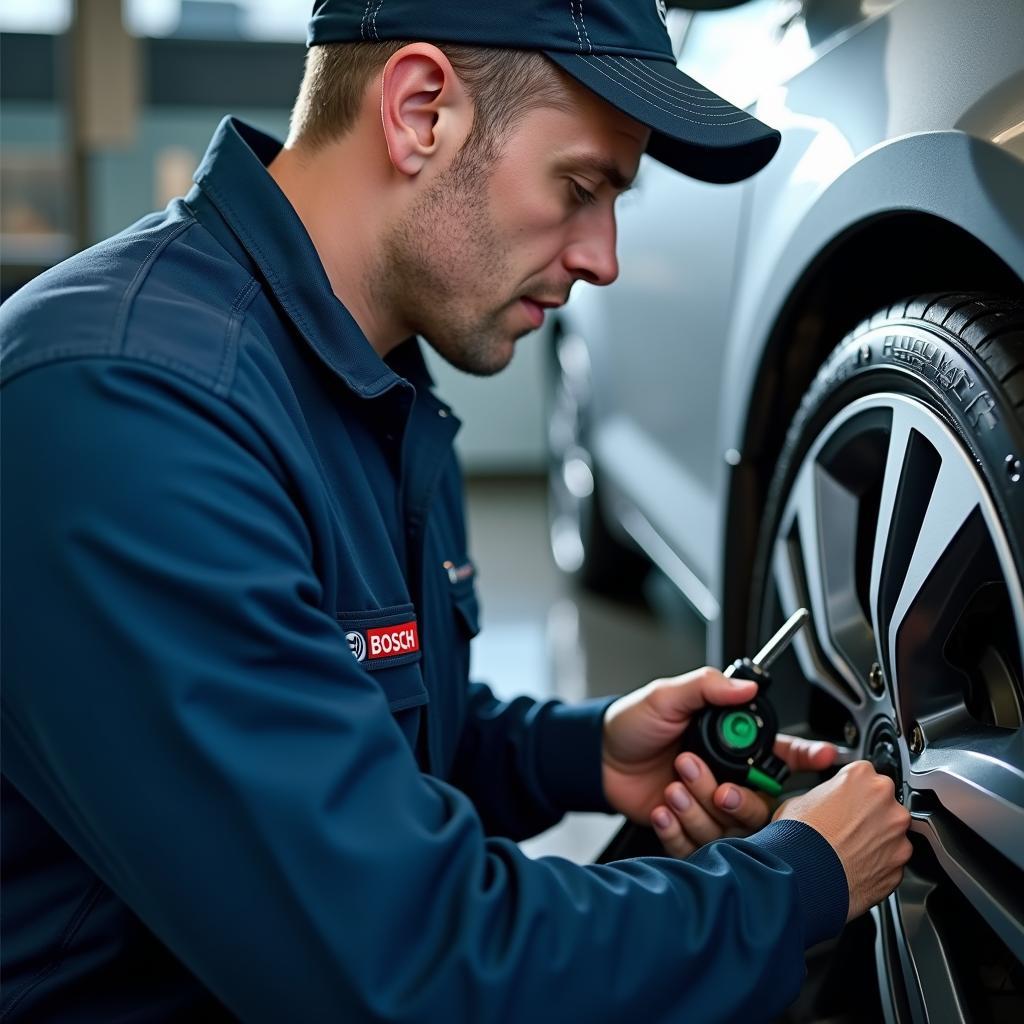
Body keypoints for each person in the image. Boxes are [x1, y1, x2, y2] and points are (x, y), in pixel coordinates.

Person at [0, 1, 913, 1020]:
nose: (602, 257)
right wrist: (797, 881)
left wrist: (581, 752)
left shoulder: (371, 395)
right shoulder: (129, 407)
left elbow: (352, 745)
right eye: (580, 187)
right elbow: (412, 964)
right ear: (420, 111)